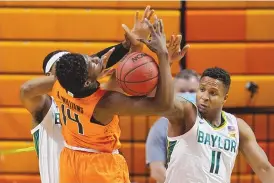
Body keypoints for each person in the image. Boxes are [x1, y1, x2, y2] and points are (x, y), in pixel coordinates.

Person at [20, 11, 174, 183]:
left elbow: (89, 68)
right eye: (90, 63)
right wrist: (163, 56)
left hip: (71, 161)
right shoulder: (105, 103)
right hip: (100, 168)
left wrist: (128, 46)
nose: (95, 58)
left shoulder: (60, 88)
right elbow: (163, 106)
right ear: (85, 81)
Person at [164, 67, 274, 183]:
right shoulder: (187, 114)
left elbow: (264, 168)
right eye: (202, 89)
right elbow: (163, 103)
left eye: (213, 93)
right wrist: (166, 61)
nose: (204, 97)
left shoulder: (237, 127)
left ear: (224, 98)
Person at [146, 69, 199, 183]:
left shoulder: (212, 124)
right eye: (182, 91)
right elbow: (157, 171)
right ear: (173, 94)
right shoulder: (159, 128)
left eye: (192, 91)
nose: (187, 95)